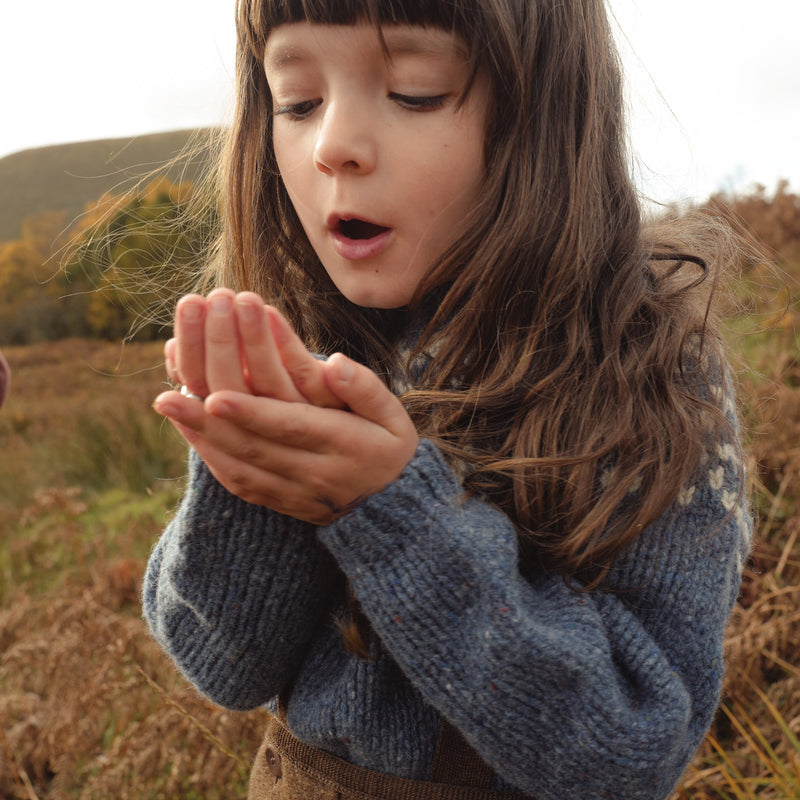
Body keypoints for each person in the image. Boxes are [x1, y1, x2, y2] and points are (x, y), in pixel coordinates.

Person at [143, 0, 752, 797]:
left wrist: (389, 513)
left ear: (544, 114)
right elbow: (225, 668)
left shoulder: (654, 375)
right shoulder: (312, 332)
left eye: (415, 91)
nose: (333, 145)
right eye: (297, 101)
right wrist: (255, 476)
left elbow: (631, 752)